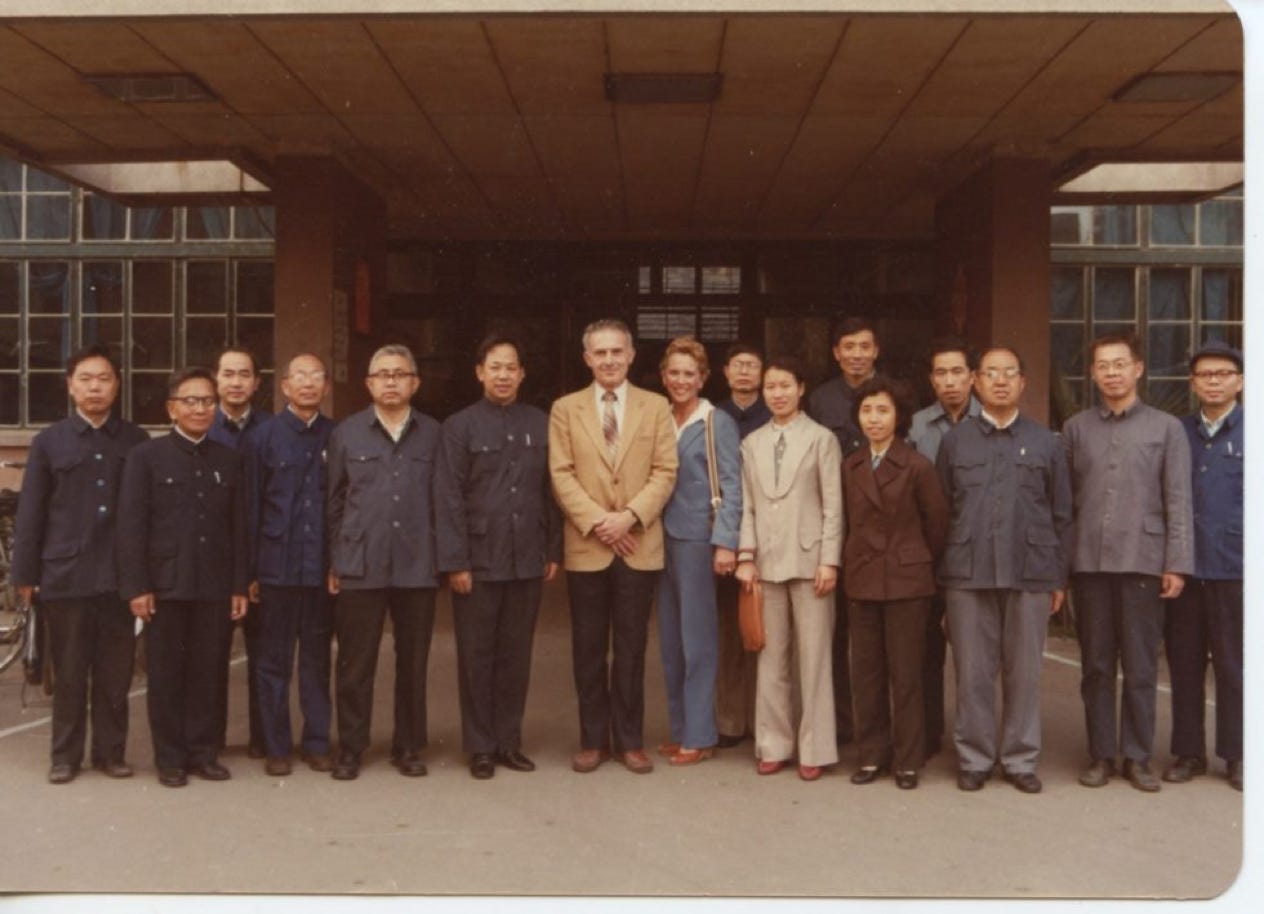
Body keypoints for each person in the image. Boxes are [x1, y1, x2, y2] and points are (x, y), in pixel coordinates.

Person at [936, 346, 1072, 794]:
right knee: (972, 671)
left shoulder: (1047, 442)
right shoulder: (956, 441)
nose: (999, 381)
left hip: (1029, 572)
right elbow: (942, 511)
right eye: (990, 373)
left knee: (1024, 671)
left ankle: (1019, 759)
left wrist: (1056, 578)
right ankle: (974, 757)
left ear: (1022, 383)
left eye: (1008, 374)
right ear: (976, 381)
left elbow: (1061, 514)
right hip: (967, 572)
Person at [12, 344, 149, 784]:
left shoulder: (135, 441)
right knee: (69, 672)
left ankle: (111, 754)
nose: (95, 387)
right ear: (71, 386)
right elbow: (31, 513)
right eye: (85, 379)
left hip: (119, 577)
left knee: (114, 673)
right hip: (65, 576)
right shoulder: (50, 442)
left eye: (103, 378)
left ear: (117, 385)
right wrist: (25, 575)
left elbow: (148, 514)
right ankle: (65, 756)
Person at [1063, 331, 1193, 792]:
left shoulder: (1166, 428)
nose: (1112, 373)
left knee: (1140, 665)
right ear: (1093, 373)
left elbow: (1178, 498)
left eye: (1120, 364)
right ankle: (1101, 754)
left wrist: (1176, 564)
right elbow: (1067, 504)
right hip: (1090, 563)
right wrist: (1062, 569)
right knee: (1096, 665)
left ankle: (1137, 756)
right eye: (1103, 365)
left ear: (1138, 369)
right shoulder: (1077, 428)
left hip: (1143, 561)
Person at [549, 318, 678, 775]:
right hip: (588, 545)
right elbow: (561, 473)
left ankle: (629, 740)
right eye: (599, 353)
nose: (608, 360)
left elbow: (665, 470)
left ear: (630, 355)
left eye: (616, 352)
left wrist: (630, 517)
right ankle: (592, 740)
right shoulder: (566, 408)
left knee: (630, 647)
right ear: (587, 358)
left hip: (638, 544)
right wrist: (599, 522)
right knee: (587, 647)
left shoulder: (655, 406)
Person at [436, 335, 562, 780]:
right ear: (480, 372)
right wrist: (456, 561)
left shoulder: (540, 422)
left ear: (522, 374)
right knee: (477, 654)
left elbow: (552, 490)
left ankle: (509, 741)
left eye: (511, 367)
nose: (503, 375)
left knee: (516, 654)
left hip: (526, 555)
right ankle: (480, 746)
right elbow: (448, 496)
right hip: (478, 559)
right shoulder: (459, 426)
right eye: (495, 367)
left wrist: (552, 549)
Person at [117, 367, 249, 787]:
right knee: (167, 673)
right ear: (171, 408)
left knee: (209, 671)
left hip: (214, 585)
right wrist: (137, 586)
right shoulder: (146, 457)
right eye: (190, 401)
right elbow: (132, 525)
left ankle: (204, 752)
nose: (200, 408)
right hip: (165, 585)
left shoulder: (229, 459)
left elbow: (239, 528)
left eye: (207, 401)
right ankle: (170, 758)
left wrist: (238, 585)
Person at [326, 344, 441, 781]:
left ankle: (409, 746)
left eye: (400, 374)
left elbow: (444, 501)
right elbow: (334, 502)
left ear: (415, 382)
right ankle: (351, 747)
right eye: (382, 374)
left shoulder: (434, 433)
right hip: (361, 562)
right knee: (355, 663)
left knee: (413, 663)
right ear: (369, 383)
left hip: (417, 563)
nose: (391, 381)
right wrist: (336, 559)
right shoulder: (347, 434)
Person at [736, 355, 843, 781]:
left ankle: (815, 747)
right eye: (770, 387)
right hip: (766, 561)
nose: (777, 394)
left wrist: (829, 560)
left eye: (785, 386)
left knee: (814, 659)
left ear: (801, 389)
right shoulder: (752, 443)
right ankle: (774, 743)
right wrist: (746, 556)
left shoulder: (821, 439)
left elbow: (834, 505)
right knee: (770, 658)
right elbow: (746, 506)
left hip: (811, 560)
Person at [842, 377, 947, 790]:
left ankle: (907, 760)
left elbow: (936, 526)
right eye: (867, 411)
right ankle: (871, 755)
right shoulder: (850, 466)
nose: (873, 419)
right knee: (866, 672)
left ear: (899, 417)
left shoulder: (917, 465)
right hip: (863, 578)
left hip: (907, 581)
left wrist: (912, 559)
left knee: (906, 674)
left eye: (882, 410)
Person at [243, 353, 335, 776]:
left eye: (317, 376)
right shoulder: (263, 437)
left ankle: (316, 742)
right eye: (300, 376)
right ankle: (277, 746)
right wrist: (251, 573)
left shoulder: (338, 437)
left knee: (317, 660)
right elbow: (250, 509)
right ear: (284, 386)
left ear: (326, 387)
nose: (308, 383)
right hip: (276, 569)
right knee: (273, 662)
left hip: (320, 571)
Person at [654, 337, 742, 766]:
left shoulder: (716, 422)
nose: (681, 381)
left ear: (703, 378)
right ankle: (681, 729)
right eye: (674, 373)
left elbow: (732, 485)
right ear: (663, 376)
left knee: (699, 640)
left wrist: (725, 542)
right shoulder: (658, 417)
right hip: (659, 540)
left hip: (696, 541)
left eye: (690, 374)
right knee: (670, 641)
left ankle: (702, 733)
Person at [1163, 340, 1243, 792]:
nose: (1213, 381)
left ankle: (1238, 755)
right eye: (1205, 375)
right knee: (1185, 663)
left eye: (1223, 374)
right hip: (1186, 568)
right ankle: (1188, 752)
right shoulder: (1177, 431)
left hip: (1236, 568)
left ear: (1240, 382)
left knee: (1236, 665)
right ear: (1193, 384)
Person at [907, 338, 982, 759]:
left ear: (973, 377)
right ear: (931, 380)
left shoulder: (989, 422)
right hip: (925, 555)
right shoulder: (917, 426)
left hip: (974, 554)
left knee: (976, 658)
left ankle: (974, 739)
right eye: (941, 373)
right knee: (924, 653)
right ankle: (928, 735)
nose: (950, 382)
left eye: (958, 372)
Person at [807, 316, 877, 748]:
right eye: (847, 346)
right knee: (832, 634)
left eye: (864, 346)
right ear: (836, 352)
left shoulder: (890, 392)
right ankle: (840, 722)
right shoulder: (820, 399)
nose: (856, 354)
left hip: (878, 527)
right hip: (832, 526)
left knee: (872, 635)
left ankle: (875, 723)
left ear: (876, 350)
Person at [208, 346, 271, 760]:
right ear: (216, 380)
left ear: (257, 382)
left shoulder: (271, 429)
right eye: (228, 373)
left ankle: (264, 740)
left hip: (264, 561)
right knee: (211, 660)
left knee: (264, 658)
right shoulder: (201, 426)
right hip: (213, 563)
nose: (235, 382)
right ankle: (209, 743)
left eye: (243, 374)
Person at [713, 343, 771, 748]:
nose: (746, 372)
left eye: (752, 366)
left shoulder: (775, 413)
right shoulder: (714, 416)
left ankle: (766, 719)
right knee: (730, 631)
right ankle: (731, 720)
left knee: (766, 628)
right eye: (739, 366)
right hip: (725, 535)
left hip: (769, 532)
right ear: (726, 372)